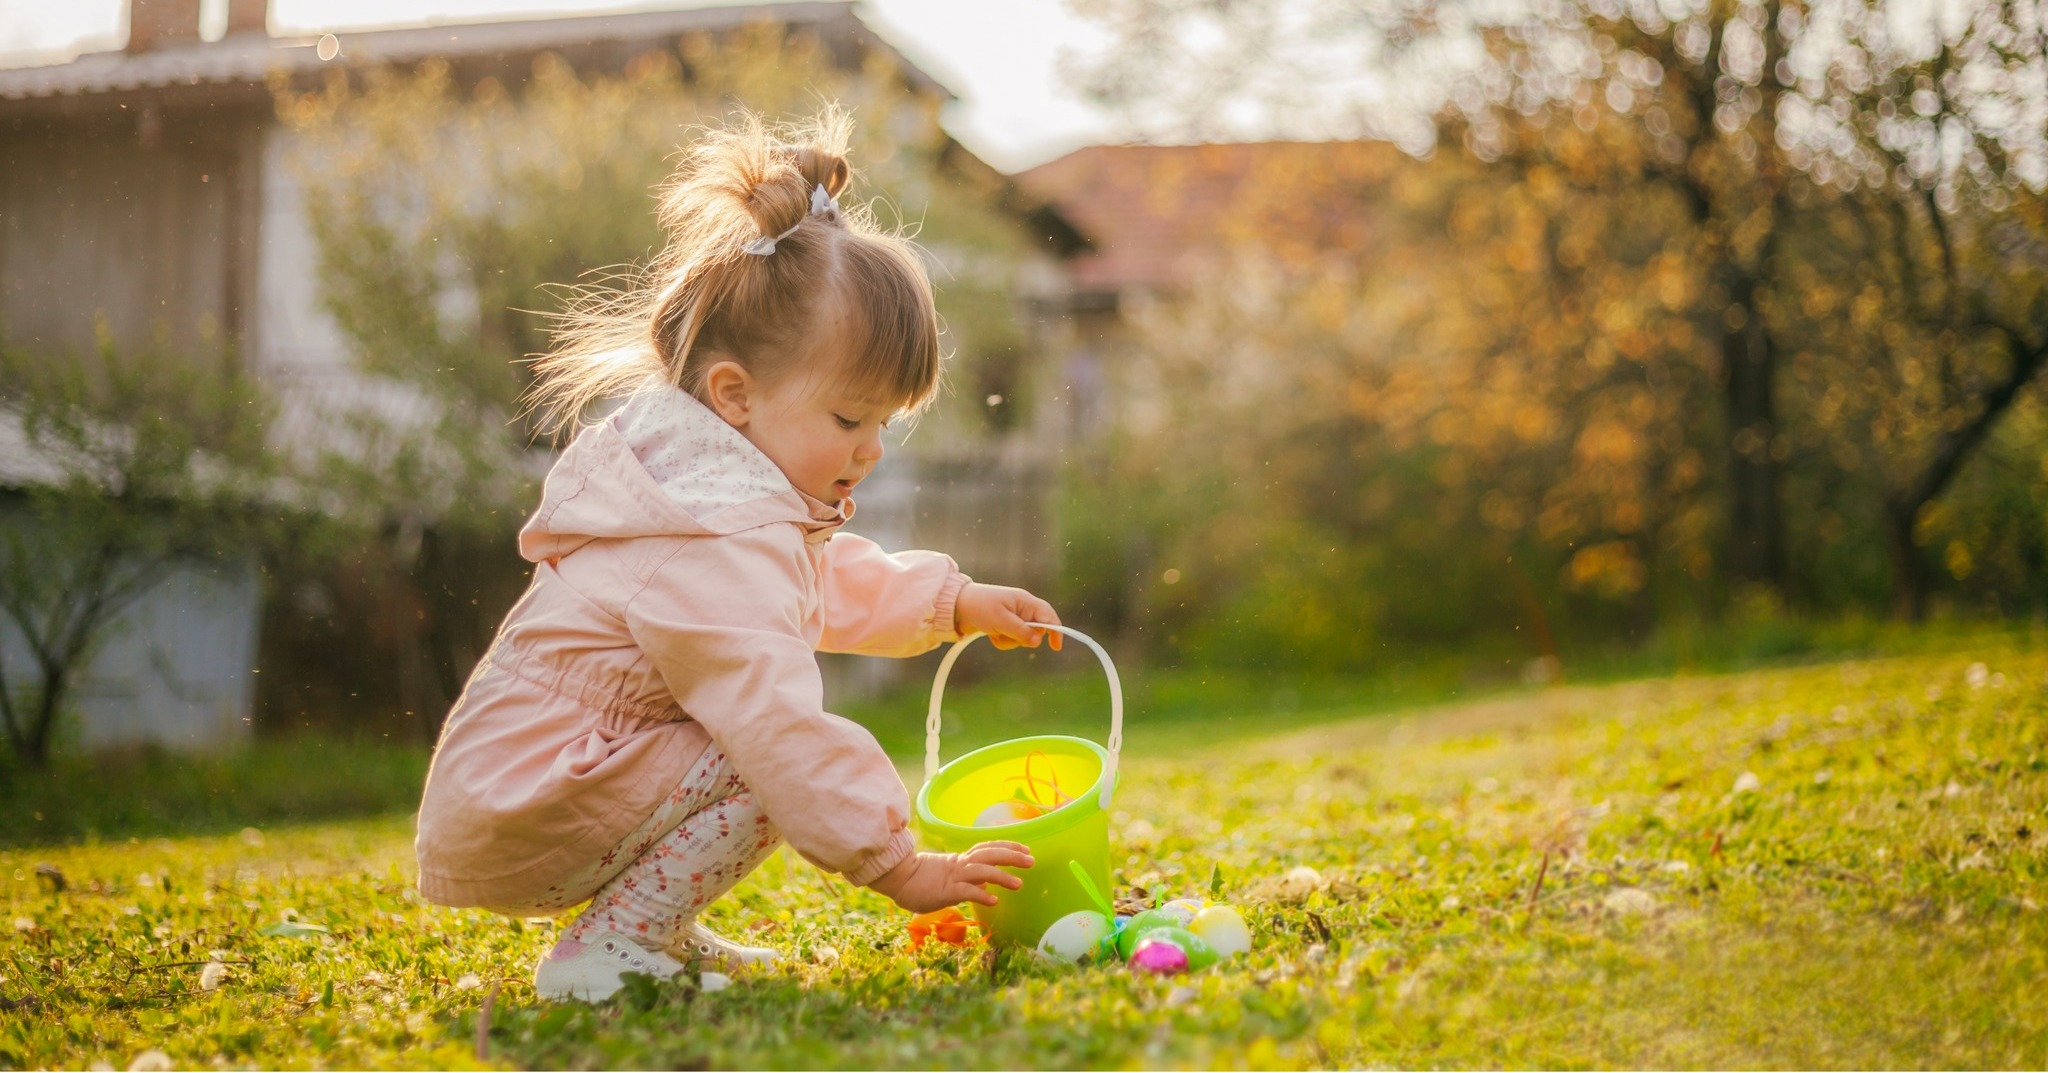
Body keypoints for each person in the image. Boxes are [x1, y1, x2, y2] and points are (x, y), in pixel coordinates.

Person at [413, 108, 1059, 1002]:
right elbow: (776, 716)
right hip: (531, 801)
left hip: (532, 785)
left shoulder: (716, 498)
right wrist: (896, 864)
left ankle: (649, 927)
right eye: (848, 418)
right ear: (735, 396)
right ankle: (613, 947)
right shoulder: (711, 533)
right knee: (762, 742)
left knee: (751, 736)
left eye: (883, 422)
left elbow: (812, 582)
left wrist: (951, 601)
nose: (871, 448)